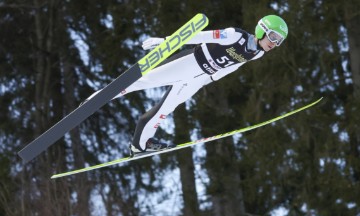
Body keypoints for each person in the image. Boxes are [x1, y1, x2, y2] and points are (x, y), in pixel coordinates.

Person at [86, 15, 288, 156]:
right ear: (262, 30)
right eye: (273, 37)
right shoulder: (236, 35)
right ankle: (94, 100)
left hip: (199, 77)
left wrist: (210, 79)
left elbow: (233, 66)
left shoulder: (258, 53)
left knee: (166, 109)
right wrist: (168, 42)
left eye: (279, 41)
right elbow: (201, 36)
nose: (274, 43)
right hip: (190, 62)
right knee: (141, 81)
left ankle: (140, 144)